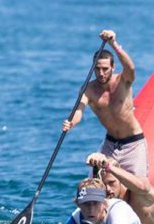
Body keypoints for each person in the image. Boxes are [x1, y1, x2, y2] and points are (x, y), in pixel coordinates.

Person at [62, 29, 148, 176]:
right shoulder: (88, 89)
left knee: (138, 188)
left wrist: (113, 43)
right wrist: (71, 123)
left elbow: (131, 68)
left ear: (113, 67)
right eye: (97, 69)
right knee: (94, 184)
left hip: (133, 144)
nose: (101, 73)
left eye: (105, 69)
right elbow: (79, 109)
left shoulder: (123, 81)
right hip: (110, 145)